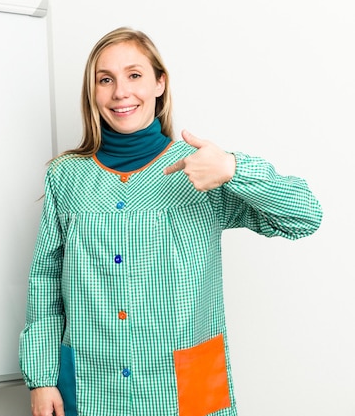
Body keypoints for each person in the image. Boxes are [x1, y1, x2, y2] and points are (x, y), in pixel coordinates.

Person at [18, 26, 322, 416]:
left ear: (160, 83)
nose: (120, 92)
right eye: (105, 79)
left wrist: (233, 168)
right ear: (92, 91)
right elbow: (44, 280)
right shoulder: (65, 176)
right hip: (96, 386)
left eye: (134, 75)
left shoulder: (201, 169)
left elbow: (305, 217)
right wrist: (42, 378)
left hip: (185, 388)